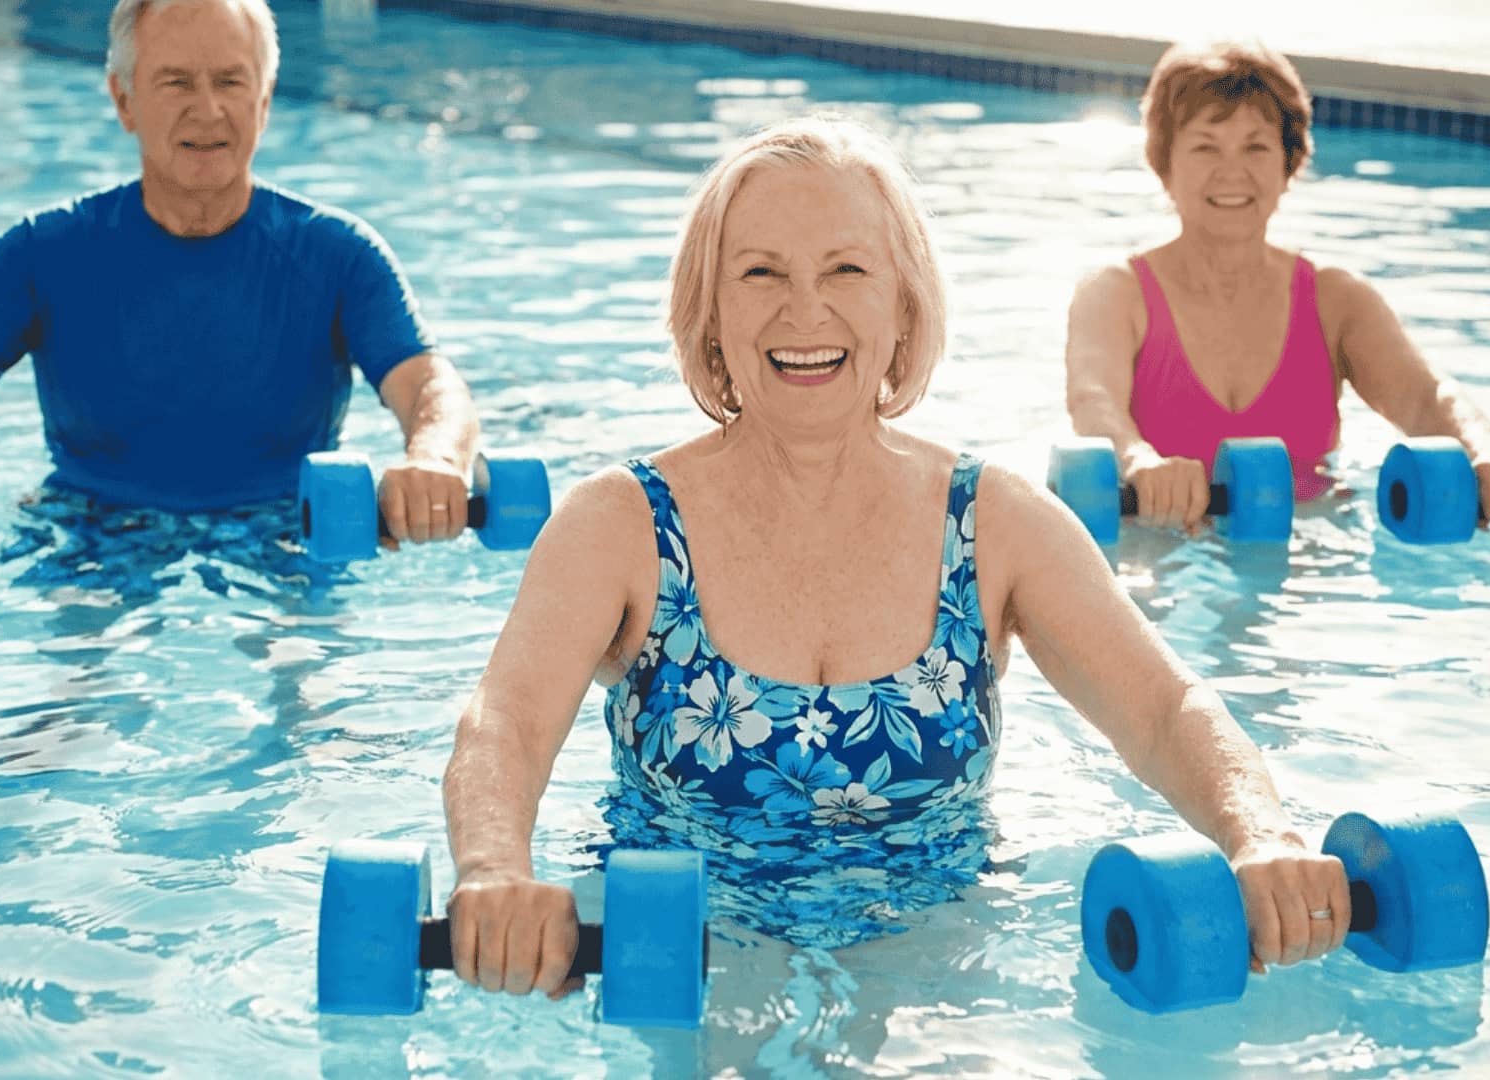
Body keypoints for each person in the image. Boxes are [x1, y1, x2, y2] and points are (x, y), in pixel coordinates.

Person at [440, 116, 1348, 1003]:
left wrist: (1259, 833)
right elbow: (506, 722)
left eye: (847, 269)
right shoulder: (619, 525)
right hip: (681, 965)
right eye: (761, 273)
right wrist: (492, 869)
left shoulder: (995, 521)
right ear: (709, 312)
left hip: (938, 965)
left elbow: (1162, 706)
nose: (806, 310)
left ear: (903, 305)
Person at [0, 0, 478, 547]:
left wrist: (436, 460)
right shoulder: (46, 250)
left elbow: (427, 384)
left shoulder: (338, 254)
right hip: (87, 526)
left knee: (303, 704)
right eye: (176, 82)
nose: (208, 110)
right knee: (70, 713)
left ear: (266, 99)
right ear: (124, 99)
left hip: (287, 532)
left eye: (231, 81)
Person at [1065, 40, 1490, 532]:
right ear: (1164, 163)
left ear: (1288, 163)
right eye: (1206, 146)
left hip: (1307, 571)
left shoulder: (1336, 300)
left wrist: (1488, 450)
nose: (1233, 172)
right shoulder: (1116, 293)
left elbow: (1426, 398)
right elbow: (1092, 398)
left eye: (1256, 146)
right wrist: (1137, 460)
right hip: (1161, 561)